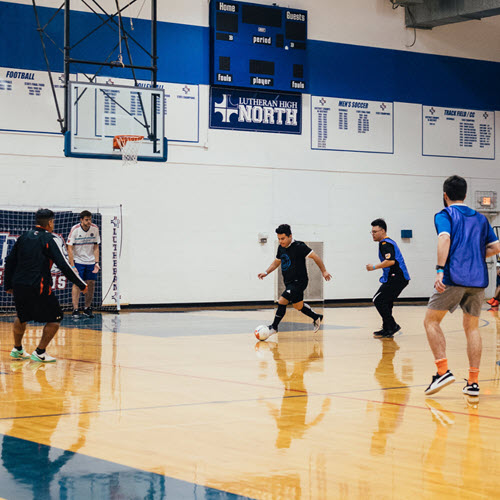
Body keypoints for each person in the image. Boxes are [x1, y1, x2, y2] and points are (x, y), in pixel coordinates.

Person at [424, 175, 500, 397]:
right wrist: (476, 256)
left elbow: (444, 238)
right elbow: (496, 246)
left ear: (445, 195)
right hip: (478, 281)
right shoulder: (480, 218)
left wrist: (440, 269)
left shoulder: (444, 214)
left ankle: (442, 371)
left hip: (453, 277)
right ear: (466, 195)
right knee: (472, 328)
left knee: (431, 321)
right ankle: (474, 382)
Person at [4, 208, 88, 363]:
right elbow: (63, 265)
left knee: (21, 316)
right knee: (56, 317)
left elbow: (9, 261)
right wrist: (81, 284)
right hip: (38, 286)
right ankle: (40, 352)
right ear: (50, 222)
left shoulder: (23, 237)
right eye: (53, 221)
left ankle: (17, 349)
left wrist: (7, 285)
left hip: (19, 284)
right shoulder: (49, 239)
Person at [258, 224, 332, 337]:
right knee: (298, 306)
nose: (280, 241)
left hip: (299, 281)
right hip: (288, 282)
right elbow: (276, 262)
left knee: (282, 300)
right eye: (278, 239)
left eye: (283, 238)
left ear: (290, 236)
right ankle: (316, 317)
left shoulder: (299, 246)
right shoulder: (281, 248)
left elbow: (316, 257)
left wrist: (324, 271)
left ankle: (274, 327)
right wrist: (266, 272)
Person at [366, 218, 410, 338]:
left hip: (398, 278)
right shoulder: (386, 243)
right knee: (386, 302)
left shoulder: (385, 244)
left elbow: (390, 261)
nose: (373, 234)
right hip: (395, 278)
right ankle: (387, 328)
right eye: (372, 232)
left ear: (383, 231)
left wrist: (373, 267)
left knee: (378, 300)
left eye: (375, 231)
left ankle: (392, 325)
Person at [67, 210, 100, 318]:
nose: (89, 221)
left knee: (91, 283)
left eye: (90, 219)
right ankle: (75, 309)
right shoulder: (75, 229)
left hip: (90, 261)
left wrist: (96, 262)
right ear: (81, 220)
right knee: (77, 284)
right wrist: (72, 265)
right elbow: (70, 248)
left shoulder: (95, 228)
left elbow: (96, 246)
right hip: (78, 261)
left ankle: (87, 308)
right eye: (86, 220)